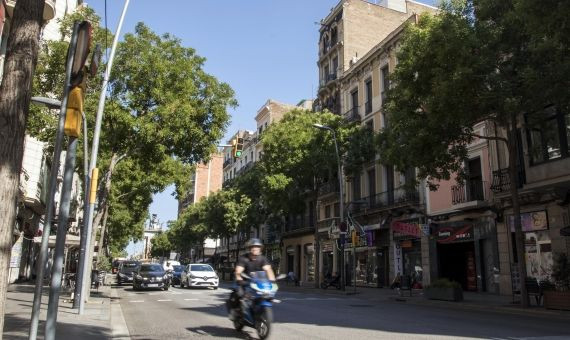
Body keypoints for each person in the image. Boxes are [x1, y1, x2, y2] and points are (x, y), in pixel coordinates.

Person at [229, 238, 276, 319]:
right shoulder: (244, 258)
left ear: (260, 248)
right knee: (239, 294)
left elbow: (268, 270)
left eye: (257, 247)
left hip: (257, 282)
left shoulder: (262, 259)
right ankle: (234, 312)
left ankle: (257, 312)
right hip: (244, 281)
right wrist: (239, 280)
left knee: (265, 295)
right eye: (253, 247)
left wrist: (272, 281)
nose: (255, 248)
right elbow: (238, 272)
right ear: (250, 248)